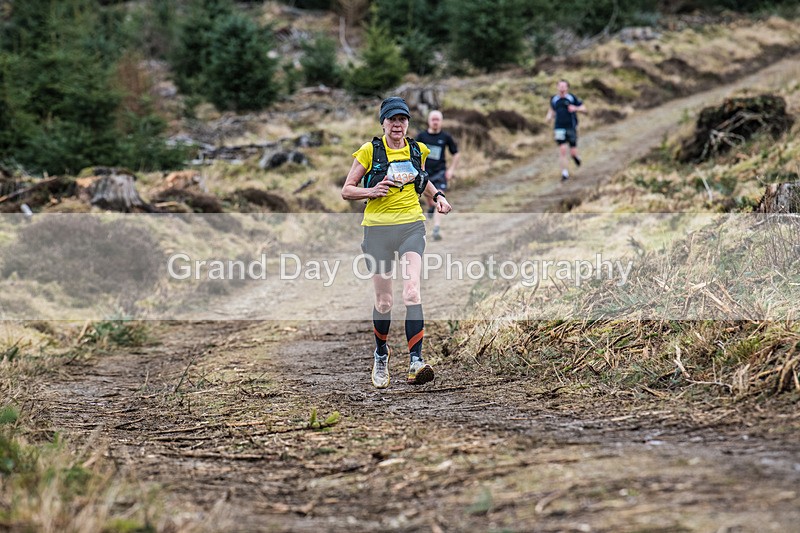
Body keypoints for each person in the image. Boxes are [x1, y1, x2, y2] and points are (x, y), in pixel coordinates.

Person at [341, 96, 453, 389]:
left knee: (412, 292)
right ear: (383, 123)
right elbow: (347, 190)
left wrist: (438, 196)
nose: (398, 125)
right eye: (392, 119)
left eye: (402, 119)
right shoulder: (369, 151)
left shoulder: (418, 149)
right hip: (377, 230)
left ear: (407, 123)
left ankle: (416, 361)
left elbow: (422, 179)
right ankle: (381, 353)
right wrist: (371, 191)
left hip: (411, 227)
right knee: (384, 300)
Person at [416, 110, 460, 241]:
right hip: (425, 174)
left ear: (441, 121)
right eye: (433, 119)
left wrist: (451, 170)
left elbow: (456, 153)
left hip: (440, 172)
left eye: (437, 119)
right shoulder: (421, 137)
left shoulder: (446, 137)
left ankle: (436, 228)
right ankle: (430, 207)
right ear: (429, 121)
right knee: (431, 200)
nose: (435, 122)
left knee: (439, 198)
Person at [545, 79, 587, 181]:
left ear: (567, 88)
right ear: (557, 87)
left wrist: (575, 108)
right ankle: (564, 173)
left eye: (564, 86)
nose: (562, 88)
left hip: (571, 127)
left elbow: (584, 109)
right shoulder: (554, 99)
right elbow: (552, 110)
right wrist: (549, 117)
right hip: (559, 127)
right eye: (560, 86)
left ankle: (575, 157)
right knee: (562, 150)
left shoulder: (572, 98)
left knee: (572, 152)